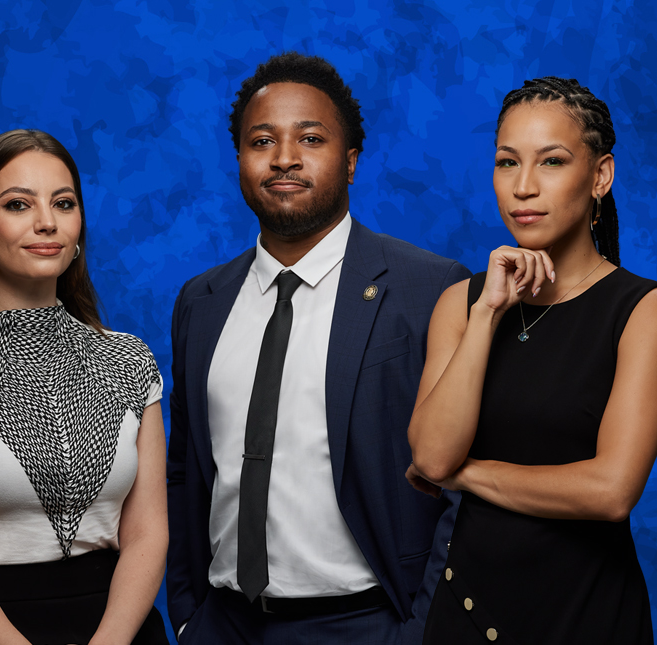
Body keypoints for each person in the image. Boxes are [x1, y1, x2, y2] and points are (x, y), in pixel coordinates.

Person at [166, 51, 471, 644]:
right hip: (222, 625)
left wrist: (418, 632)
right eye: (262, 141)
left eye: (310, 138)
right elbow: (185, 471)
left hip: (369, 624)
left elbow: (462, 487)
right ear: (239, 161)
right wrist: (188, 613)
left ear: (351, 161)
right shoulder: (200, 302)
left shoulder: (430, 289)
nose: (284, 158)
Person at [0, 129, 169, 645]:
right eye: (18, 204)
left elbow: (149, 535)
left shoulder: (130, 361)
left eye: (63, 203)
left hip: (119, 628)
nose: (46, 221)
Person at [408, 77, 657, 644]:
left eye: (551, 161)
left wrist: (464, 476)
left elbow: (611, 491)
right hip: (465, 612)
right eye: (506, 162)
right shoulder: (463, 302)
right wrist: (488, 314)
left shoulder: (643, 311)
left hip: (586, 617)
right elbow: (429, 451)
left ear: (601, 177)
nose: (523, 187)